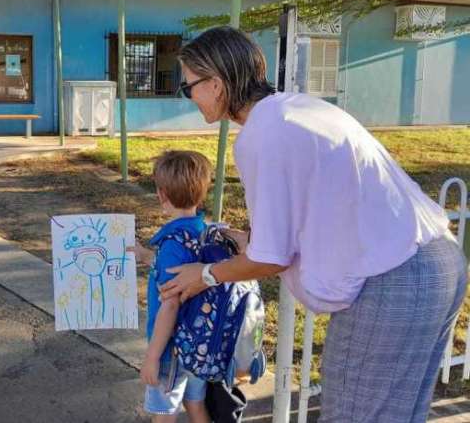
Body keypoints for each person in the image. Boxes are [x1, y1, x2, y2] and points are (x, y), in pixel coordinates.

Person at [158, 26, 467, 423]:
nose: (190, 97)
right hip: (434, 259)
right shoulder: (295, 109)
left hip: (393, 277)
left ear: (216, 85)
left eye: (190, 87)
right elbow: (322, 213)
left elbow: (270, 260)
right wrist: (250, 240)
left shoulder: (262, 135)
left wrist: (204, 275)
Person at [138, 150, 212, 423]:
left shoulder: (171, 245)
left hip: (171, 348)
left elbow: (169, 304)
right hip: (198, 343)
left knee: (164, 414)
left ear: (162, 195)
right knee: (196, 405)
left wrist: (152, 357)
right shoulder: (201, 231)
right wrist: (147, 256)